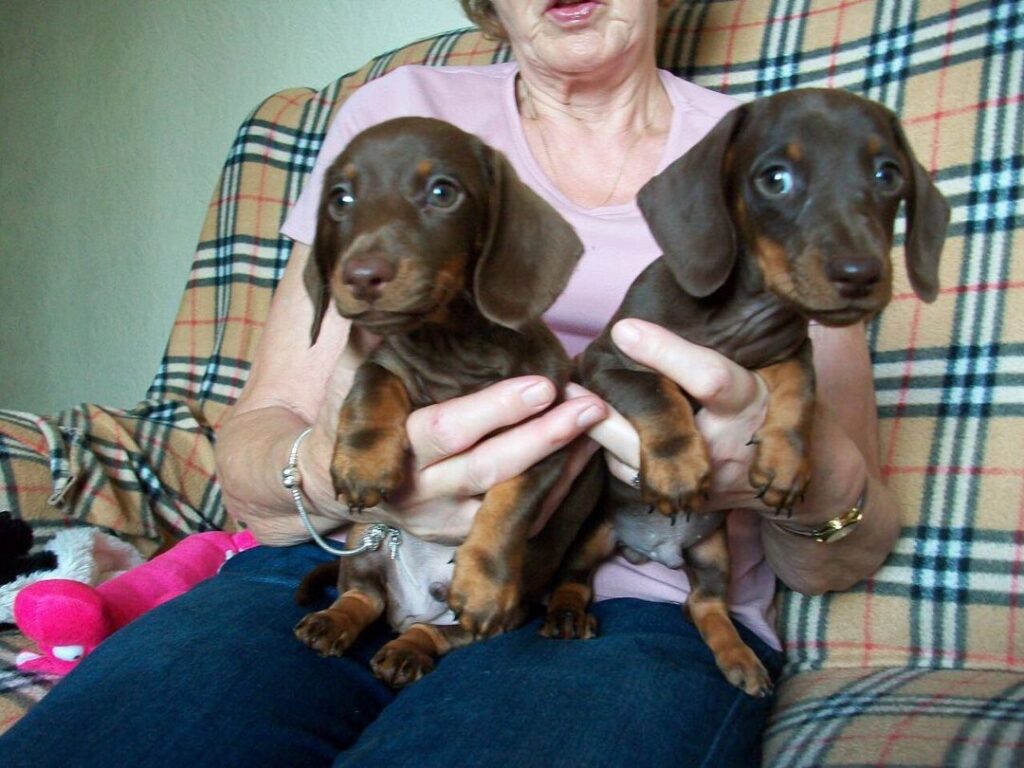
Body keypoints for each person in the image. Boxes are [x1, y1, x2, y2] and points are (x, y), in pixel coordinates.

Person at [0, 1, 900, 766]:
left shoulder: (790, 149)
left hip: (621, 607)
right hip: (356, 558)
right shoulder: (401, 115)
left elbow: (842, 551)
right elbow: (258, 440)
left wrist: (790, 471)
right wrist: (337, 475)